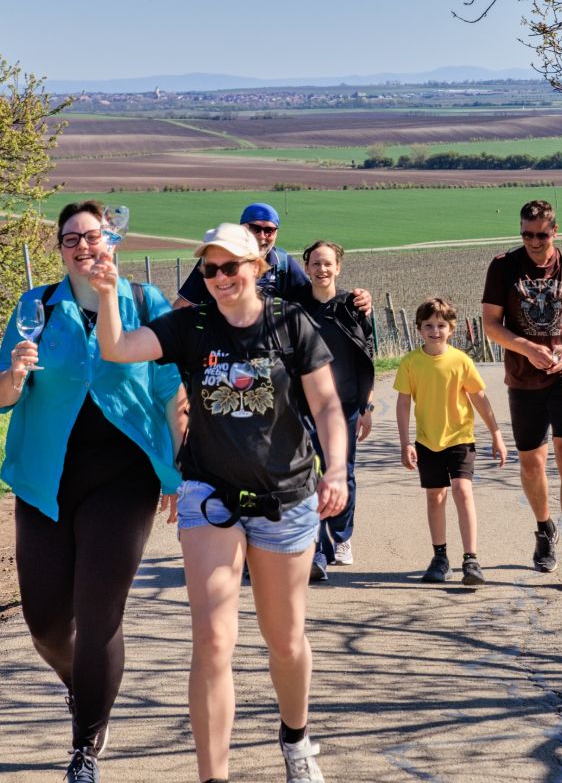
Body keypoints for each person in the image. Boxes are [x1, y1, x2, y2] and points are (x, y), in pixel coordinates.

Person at [90, 222, 346, 783]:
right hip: (209, 492)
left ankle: (297, 738)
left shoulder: (290, 324)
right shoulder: (192, 325)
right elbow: (116, 349)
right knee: (211, 639)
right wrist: (109, 293)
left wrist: (339, 471)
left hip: (286, 493)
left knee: (285, 640)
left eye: (231, 266)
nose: (220, 278)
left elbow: (327, 405)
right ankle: (214, 777)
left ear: (257, 265)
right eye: (209, 269)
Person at [0, 200, 186, 783]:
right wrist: (14, 376)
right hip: (43, 479)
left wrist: (179, 473)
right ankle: (84, 689)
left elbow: (173, 394)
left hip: (124, 478)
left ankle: (85, 746)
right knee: (45, 623)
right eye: (70, 238)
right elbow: (2, 396)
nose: (82, 245)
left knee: (98, 611)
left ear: (113, 242)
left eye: (93, 235)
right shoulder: (33, 307)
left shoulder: (146, 303)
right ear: (59, 250)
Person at [482, 200, 562, 590]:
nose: (534, 241)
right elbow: (490, 325)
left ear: (556, 231)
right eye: (527, 234)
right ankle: (543, 527)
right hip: (523, 377)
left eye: (542, 234)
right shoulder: (503, 266)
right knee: (532, 464)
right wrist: (527, 349)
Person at [394, 298, 507, 586]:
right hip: (427, 441)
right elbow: (403, 404)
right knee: (435, 496)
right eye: (429, 325)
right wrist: (406, 442)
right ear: (419, 329)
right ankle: (440, 557)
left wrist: (496, 434)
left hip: (460, 438)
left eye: (441, 325)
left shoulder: (460, 361)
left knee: (462, 490)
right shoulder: (410, 363)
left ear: (451, 329)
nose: (435, 331)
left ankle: (471, 559)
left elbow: (479, 398)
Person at [302, 241, 375, 582]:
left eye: (328, 263)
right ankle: (316, 548)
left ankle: (341, 538)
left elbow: (367, 356)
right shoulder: (296, 308)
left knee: (342, 472)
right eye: (315, 263)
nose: (322, 269)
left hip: (346, 405)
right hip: (304, 407)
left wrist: (367, 406)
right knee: (307, 474)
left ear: (338, 267)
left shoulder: (352, 306)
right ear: (306, 268)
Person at [173, 202, 372, 315]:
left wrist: (355, 299)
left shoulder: (283, 263)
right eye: (255, 228)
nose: (262, 236)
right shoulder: (216, 262)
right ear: (243, 227)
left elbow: (317, 296)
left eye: (269, 230)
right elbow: (183, 305)